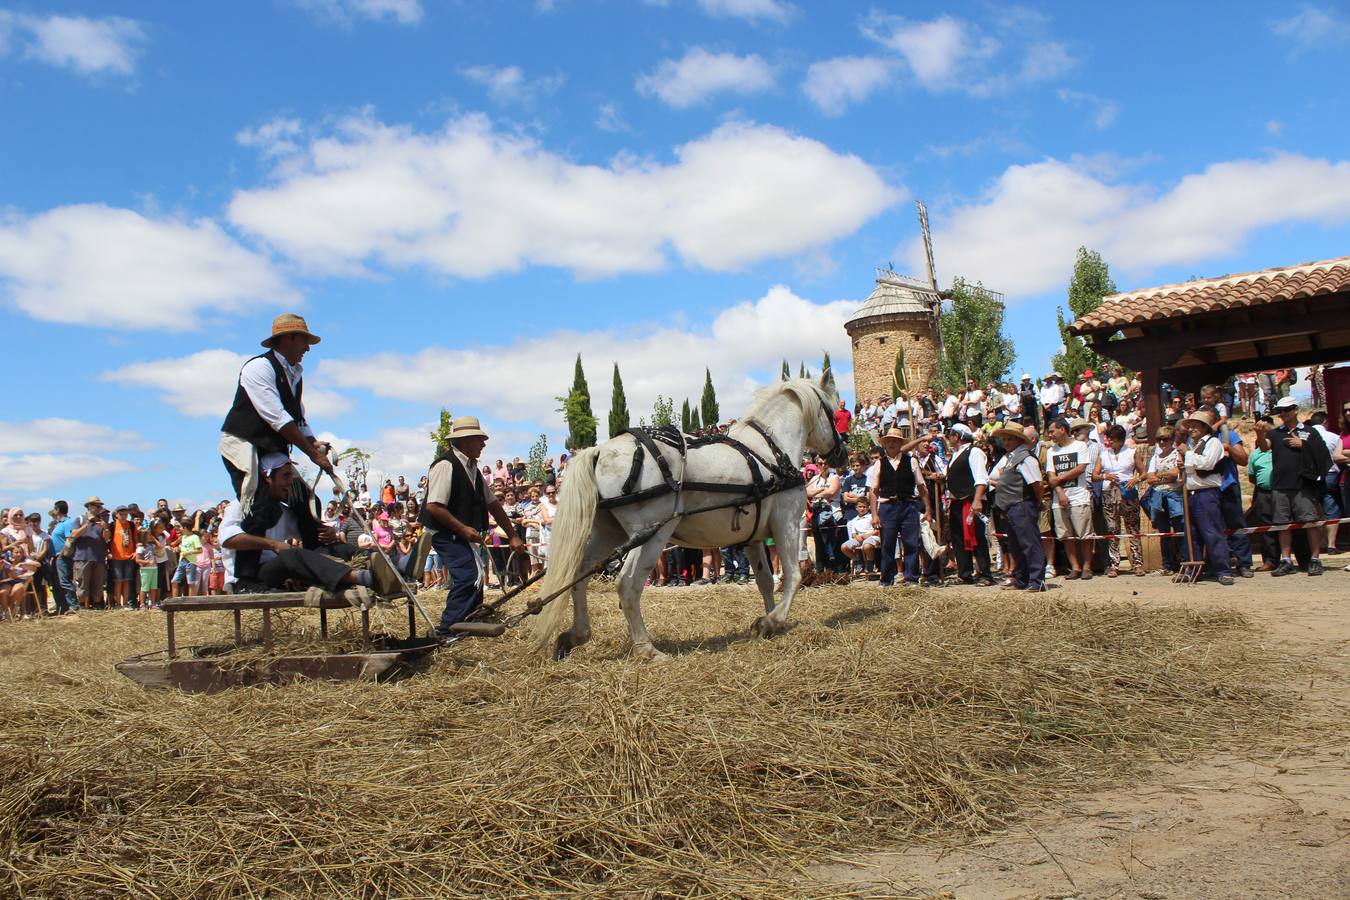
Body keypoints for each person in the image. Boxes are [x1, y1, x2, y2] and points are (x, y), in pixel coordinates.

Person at [219, 454, 396, 601]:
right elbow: (227, 539)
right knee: (292, 553)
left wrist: (327, 532)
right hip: (250, 579)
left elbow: (310, 535)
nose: (290, 483)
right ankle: (362, 578)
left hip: (278, 571)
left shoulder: (282, 511)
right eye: (285, 476)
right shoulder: (239, 506)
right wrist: (274, 545)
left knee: (331, 548)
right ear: (267, 477)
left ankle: (396, 567)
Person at [420, 416, 525, 636]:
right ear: (465, 441)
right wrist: (463, 528)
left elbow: (494, 505)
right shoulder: (445, 465)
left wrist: (513, 535)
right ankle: (447, 631)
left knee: (476, 576)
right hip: (446, 535)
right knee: (469, 576)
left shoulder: (474, 470)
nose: (483, 444)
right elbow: (434, 507)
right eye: (479, 439)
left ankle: (470, 620)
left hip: (462, 535)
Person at [219, 313, 334, 508]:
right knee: (257, 506)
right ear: (290, 338)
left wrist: (313, 442)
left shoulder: (295, 375)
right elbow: (277, 418)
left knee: (307, 505)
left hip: (272, 450)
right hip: (246, 444)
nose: (307, 348)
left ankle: (317, 538)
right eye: (304, 341)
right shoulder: (258, 368)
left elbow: (297, 419)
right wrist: (312, 454)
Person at [1259, 397, 1331, 576]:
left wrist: (1303, 444)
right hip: (1280, 486)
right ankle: (1286, 560)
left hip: (1303, 485)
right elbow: (1263, 447)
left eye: (1286, 409)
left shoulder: (1309, 432)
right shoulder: (1275, 434)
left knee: (1310, 522)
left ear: (1296, 409)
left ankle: (1315, 559)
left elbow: (1324, 455)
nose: (1283, 414)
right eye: (1280, 411)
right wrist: (1260, 434)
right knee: (1283, 524)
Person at [867, 427, 932, 586]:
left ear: (900, 443)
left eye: (895, 440)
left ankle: (911, 579)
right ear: (885, 444)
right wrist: (874, 514)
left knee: (911, 543)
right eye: (889, 440)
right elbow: (874, 491)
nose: (892, 443)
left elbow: (922, 487)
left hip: (908, 505)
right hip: (887, 507)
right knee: (887, 544)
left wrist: (928, 510)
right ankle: (887, 580)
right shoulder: (879, 464)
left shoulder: (911, 461)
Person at [988, 421, 1047, 591]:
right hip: (1011, 507)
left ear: (1018, 440)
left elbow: (1037, 483)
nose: (1006, 442)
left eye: (1009, 439)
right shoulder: (1012, 458)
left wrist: (1037, 502)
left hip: (1022, 504)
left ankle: (1037, 581)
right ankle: (1022, 580)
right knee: (1016, 545)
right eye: (1004, 439)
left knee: (1029, 543)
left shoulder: (1026, 458)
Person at [1179, 409, 1233, 584]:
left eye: (1195, 425)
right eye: (1190, 426)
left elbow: (1208, 463)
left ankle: (1223, 570)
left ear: (1204, 427)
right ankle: (1195, 569)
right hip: (1191, 492)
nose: (1192, 429)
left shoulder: (1213, 443)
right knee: (1192, 534)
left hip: (1207, 492)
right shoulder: (1193, 445)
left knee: (1212, 531)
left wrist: (1187, 455)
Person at [1045, 418, 1094, 580]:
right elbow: (1051, 476)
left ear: (1062, 430)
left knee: (1084, 534)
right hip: (1059, 498)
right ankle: (1075, 567)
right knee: (1065, 535)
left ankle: (1087, 566)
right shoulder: (1051, 451)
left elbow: (1080, 468)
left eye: (1052, 431)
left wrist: (1059, 479)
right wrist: (1060, 492)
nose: (1050, 435)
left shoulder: (1080, 446)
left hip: (1079, 496)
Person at [1093, 424, 1143, 577]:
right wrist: (1105, 476)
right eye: (1109, 439)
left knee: (1132, 527)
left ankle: (1138, 564)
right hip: (1109, 492)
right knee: (1112, 529)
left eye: (1112, 439)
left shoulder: (1132, 452)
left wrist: (1136, 479)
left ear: (1120, 440)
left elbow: (1144, 473)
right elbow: (1094, 476)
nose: (1109, 442)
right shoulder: (1103, 454)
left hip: (1127, 491)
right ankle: (1114, 564)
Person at [69, 497, 108, 609]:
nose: (99, 508)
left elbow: (107, 538)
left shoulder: (101, 521)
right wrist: (87, 524)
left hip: (98, 557)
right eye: (97, 505)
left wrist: (105, 528)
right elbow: (74, 534)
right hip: (83, 557)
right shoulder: (80, 519)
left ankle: (96, 605)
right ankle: (82, 606)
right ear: (89, 506)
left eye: (100, 506)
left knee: (98, 585)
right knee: (82, 585)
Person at [840, 499, 880, 574]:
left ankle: (869, 565)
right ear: (856, 508)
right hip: (860, 538)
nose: (862, 509)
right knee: (844, 547)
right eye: (860, 507)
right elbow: (853, 533)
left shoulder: (872, 517)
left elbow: (877, 531)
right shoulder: (854, 520)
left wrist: (866, 536)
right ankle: (858, 561)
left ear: (868, 507)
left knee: (867, 546)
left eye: (864, 507)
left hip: (872, 537)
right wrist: (856, 536)